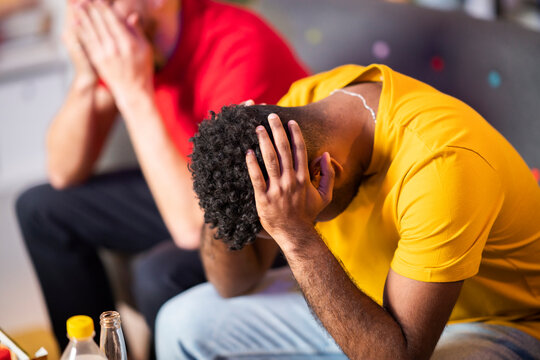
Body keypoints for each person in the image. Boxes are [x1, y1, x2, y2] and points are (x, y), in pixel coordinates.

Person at [155, 64, 540, 359]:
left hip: (494, 323)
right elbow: (231, 284)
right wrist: (220, 176)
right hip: (363, 300)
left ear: (326, 173)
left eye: (278, 227)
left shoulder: (444, 168)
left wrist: (297, 236)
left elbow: (398, 353)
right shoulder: (306, 101)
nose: (278, 235)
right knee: (181, 322)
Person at [14, 0, 307, 349]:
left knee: (159, 274)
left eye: (104, 2)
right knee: (40, 208)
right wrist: (86, 79)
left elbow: (197, 226)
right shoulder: (139, 37)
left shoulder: (240, 47)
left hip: (266, 214)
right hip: (188, 187)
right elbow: (62, 173)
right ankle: (89, 353)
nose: (89, 17)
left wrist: (133, 92)